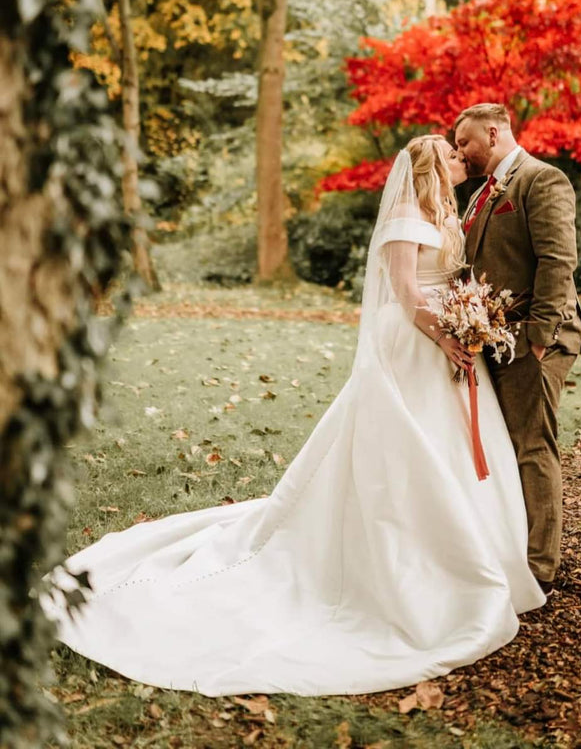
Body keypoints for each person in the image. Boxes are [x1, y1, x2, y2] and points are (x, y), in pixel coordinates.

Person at [45, 135, 544, 699]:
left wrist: (465, 324)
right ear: (432, 164)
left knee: (451, 445)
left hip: (441, 344)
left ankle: (481, 553)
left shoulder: (444, 214)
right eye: (453, 155)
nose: (462, 160)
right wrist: (447, 336)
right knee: (408, 448)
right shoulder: (407, 215)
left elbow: (444, 284)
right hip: (411, 343)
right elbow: (405, 293)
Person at [453, 104, 581, 595]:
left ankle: (540, 570)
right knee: (509, 444)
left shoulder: (541, 179)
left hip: (534, 341)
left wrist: (538, 337)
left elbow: (558, 260)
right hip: (494, 339)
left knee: (533, 445)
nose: (461, 152)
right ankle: (514, 549)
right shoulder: (482, 194)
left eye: (465, 141)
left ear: (493, 132)